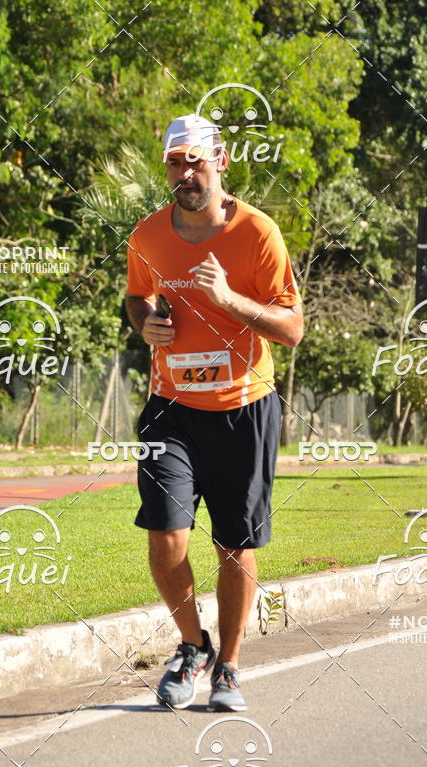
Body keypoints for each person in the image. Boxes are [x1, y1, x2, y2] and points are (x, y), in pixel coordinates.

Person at [125, 113, 303, 712]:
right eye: (175, 162)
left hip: (243, 409)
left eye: (195, 160)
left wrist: (229, 297)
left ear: (221, 160)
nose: (185, 173)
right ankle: (190, 644)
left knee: (235, 544)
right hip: (170, 409)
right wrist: (144, 321)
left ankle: (227, 666)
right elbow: (136, 293)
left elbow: (293, 328)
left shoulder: (258, 235)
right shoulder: (148, 235)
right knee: (165, 533)